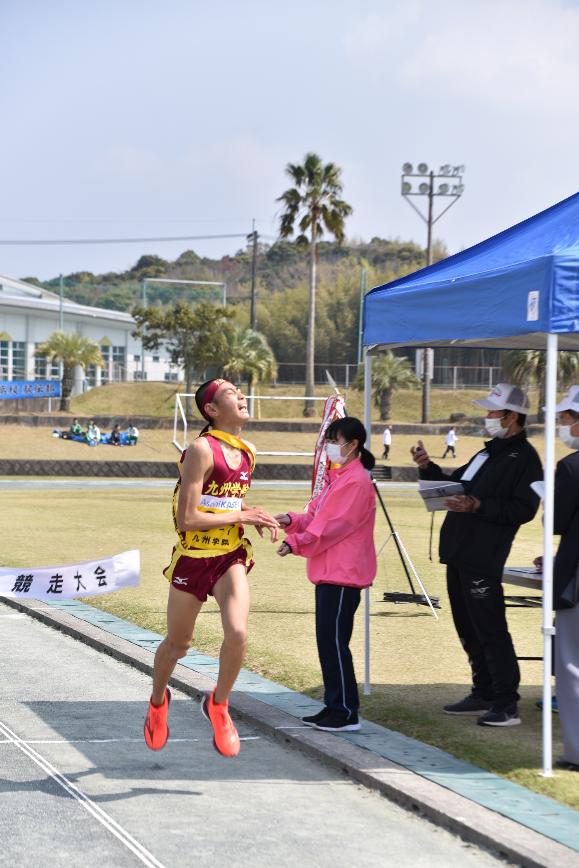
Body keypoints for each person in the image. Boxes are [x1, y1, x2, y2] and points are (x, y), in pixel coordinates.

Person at [144, 378, 279, 758]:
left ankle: (218, 705)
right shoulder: (201, 450)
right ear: (212, 410)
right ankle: (157, 703)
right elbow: (187, 517)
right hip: (192, 558)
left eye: (241, 392)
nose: (242, 397)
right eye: (232, 394)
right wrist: (242, 512)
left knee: (238, 633)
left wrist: (251, 517)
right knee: (178, 645)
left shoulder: (248, 451)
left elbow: (230, 506)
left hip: (229, 555)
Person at [412, 383, 542, 727]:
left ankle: (506, 702)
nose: (487, 418)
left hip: (484, 555)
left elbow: (524, 509)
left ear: (512, 417)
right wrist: (428, 469)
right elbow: (458, 485)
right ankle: (482, 690)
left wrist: (479, 505)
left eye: (492, 412)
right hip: (457, 550)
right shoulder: (486, 454)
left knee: (490, 628)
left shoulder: (525, 459)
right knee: (467, 627)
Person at [276, 417, 376, 732]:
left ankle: (345, 711)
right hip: (331, 572)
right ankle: (335, 705)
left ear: (354, 443)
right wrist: (291, 520)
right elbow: (314, 516)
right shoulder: (339, 478)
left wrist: (295, 543)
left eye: (336, 439)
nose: (330, 446)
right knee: (328, 642)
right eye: (329, 439)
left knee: (334, 643)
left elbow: (331, 528)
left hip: (343, 574)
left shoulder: (356, 481)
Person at [534, 385, 579, 771]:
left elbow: (557, 521)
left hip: (576, 580)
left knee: (571, 664)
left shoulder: (571, 467)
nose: (563, 425)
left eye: (567, 418)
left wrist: (550, 501)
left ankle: (577, 751)